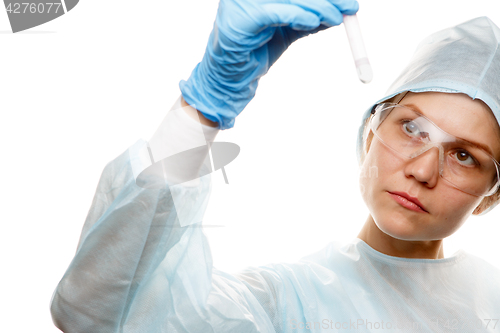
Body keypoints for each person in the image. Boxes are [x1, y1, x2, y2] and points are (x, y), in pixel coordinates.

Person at [50, 0, 500, 332]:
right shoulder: (285, 304)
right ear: (370, 133)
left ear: (490, 195)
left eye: (464, 156)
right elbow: (99, 315)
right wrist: (202, 109)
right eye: (412, 128)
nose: (423, 170)